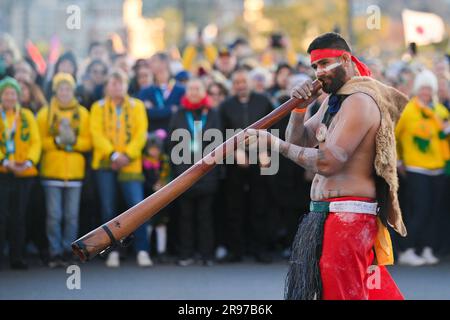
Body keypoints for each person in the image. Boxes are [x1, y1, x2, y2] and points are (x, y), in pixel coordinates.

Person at [245, 32, 407, 300]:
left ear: (345, 59)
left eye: (323, 64)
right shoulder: (335, 100)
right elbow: (299, 140)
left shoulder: (359, 100)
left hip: (349, 220)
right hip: (330, 217)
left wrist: (273, 144)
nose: (318, 73)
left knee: (342, 294)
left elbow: (328, 162)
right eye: (314, 67)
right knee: (366, 292)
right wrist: (299, 110)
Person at [90, 70, 151, 268]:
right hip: (106, 162)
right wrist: (113, 155)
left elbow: (141, 133)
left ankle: (142, 250)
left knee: (137, 207)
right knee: (109, 207)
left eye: (120, 83)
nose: (117, 87)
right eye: (113, 83)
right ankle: (112, 252)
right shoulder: (98, 107)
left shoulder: (137, 106)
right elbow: (96, 133)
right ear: (107, 86)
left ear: (126, 85)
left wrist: (127, 155)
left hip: (130, 162)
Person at [219, 68, 274, 263]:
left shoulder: (264, 101)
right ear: (232, 86)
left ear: (250, 83)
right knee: (234, 207)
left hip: (262, 160)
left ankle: (260, 249)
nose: (241, 86)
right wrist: (235, 154)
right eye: (237, 83)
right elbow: (220, 134)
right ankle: (236, 250)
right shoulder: (225, 106)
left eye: (244, 82)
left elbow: (274, 127)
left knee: (261, 205)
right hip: (235, 163)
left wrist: (266, 152)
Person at [37, 73, 92, 267]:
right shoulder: (45, 113)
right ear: (55, 91)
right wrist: (57, 142)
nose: (64, 92)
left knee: (71, 216)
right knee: (54, 216)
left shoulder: (83, 113)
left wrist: (74, 142)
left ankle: (69, 251)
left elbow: (88, 142)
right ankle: (54, 251)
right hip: (52, 171)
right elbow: (39, 142)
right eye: (61, 88)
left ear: (73, 91)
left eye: (68, 88)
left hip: (75, 173)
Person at [395, 69, 450, 266]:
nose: (426, 92)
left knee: (434, 211)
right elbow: (394, 136)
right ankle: (408, 249)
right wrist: (398, 161)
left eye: (429, 88)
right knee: (419, 210)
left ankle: (427, 248)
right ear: (418, 89)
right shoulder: (408, 110)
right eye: (423, 88)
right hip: (417, 168)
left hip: (438, 168)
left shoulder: (439, 111)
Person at [169, 78, 221, 266]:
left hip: (208, 173)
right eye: (190, 88)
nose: (193, 92)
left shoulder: (213, 113)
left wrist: (217, 172)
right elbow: (172, 143)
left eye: (197, 88)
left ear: (204, 91)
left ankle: (206, 254)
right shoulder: (179, 114)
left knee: (206, 217)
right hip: (184, 174)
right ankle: (186, 254)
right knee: (185, 216)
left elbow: (222, 142)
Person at [0, 77, 41, 270]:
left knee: (19, 216)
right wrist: (5, 161)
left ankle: (17, 256)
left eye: (13, 93)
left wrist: (29, 161)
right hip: (3, 172)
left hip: (24, 173)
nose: (10, 97)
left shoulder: (26, 115)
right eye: (6, 93)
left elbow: (35, 142)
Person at [142, 129, 171, 263]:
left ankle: (161, 251)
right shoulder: (144, 163)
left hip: (162, 198)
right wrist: (151, 187)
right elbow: (143, 180)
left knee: (161, 225)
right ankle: (146, 250)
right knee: (147, 225)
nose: (154, 152)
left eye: (157, 149)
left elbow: (169, 176)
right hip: (148, 197)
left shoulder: (164, 161)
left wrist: (163, 185)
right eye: (151, 149)